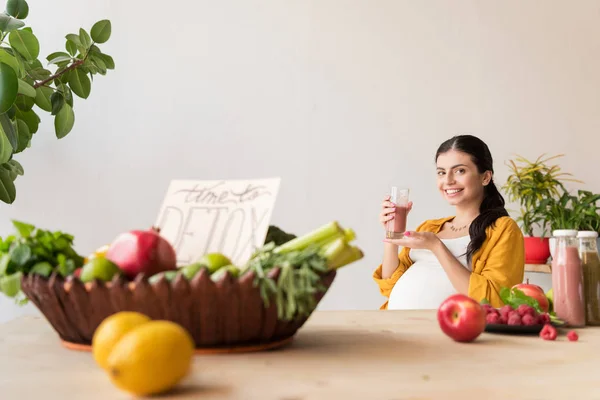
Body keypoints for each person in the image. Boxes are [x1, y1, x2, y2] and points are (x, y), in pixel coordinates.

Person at [373, 135, 524, 310]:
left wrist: (437, 247)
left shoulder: (503, 229)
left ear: (485, 177)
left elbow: (495, 299)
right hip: (394, 327)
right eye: (441, 172)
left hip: (451, 333)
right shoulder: (430, 228)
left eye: (460, 171)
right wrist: (392, 235)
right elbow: (389, 286)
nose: (448, 180)